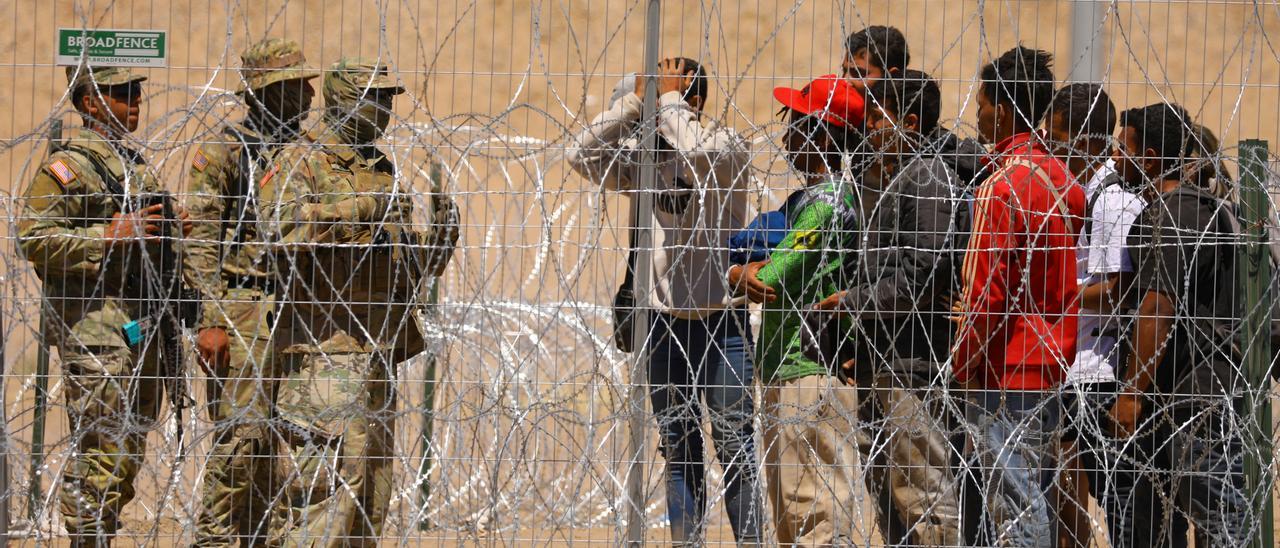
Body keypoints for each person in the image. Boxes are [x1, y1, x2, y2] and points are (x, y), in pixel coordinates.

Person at [258, 58, 457, 546]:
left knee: (368, 509)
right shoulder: (299, 160)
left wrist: (436, 245)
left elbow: (397, 266)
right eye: (378, 99)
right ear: (346, 101)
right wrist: (365, 211)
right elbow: (278, 227)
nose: (387, 110)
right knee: (319, 506)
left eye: (389, 100)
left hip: (375, 358)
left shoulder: (378, 167)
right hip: (321, 358)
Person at [565, 57, 764, 546]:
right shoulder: (645, 164)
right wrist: (633, 104)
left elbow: (694, 152)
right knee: (678, 449)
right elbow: (580, 155)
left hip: (723, 326)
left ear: (690, 101)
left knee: (736, 448)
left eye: (664, 100)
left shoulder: (725, 148)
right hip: (663, 326)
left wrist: (667, 99)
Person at [18, 64, 193, 546]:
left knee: (126, 453)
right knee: (101, 451)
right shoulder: (69, 169)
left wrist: (175, 232)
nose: (134, 102)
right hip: (95, 331)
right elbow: (32, 237)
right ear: (91, 104)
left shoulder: (136, 167)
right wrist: (107, 235)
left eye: (136, 93)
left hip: (140, 329)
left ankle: (98, 535)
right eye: (120, 94)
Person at [810, 69, 962, 545]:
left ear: (910, 123)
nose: (869, 128)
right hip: (885, 360)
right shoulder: (894, 181)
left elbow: (920, 276)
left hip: (914, 367)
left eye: (878, 118)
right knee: (889, 495)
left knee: (924, 498)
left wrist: (850, 304)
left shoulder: (929, 181)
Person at [183, 38, 320, 547]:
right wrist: (212, 319)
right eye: (294, 85)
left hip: (298, 309)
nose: (308, 93)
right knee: (241, 444)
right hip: (244, 306)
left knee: (283, 444)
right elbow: (200, 239)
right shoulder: (225, 151)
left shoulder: (309, 155)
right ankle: (216, 540)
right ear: (265, 93)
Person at [952, 46, 1084, 547]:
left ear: (1002, 110)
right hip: (1048, 361)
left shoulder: (1002, 187)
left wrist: (961, 362)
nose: (978, 114)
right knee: (1033, 495)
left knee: (1016, 505)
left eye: (982, 104)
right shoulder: (1060, 182)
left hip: (1002, 368)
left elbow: (988, 295)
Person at [1105, 103, 1249, 547]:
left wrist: (1131, 393)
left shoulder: (1177, 215)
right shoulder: (1179, 211)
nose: (1113, 159)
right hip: (1175, 394)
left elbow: (1156, 309)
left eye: (1120, 148)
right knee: (1153, 526)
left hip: (1195, 396)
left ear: (1148, 157)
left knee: (1218, 523)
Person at [732, 74, 864, 545]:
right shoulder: (811, 201)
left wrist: (739, 274)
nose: (788, 136)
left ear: (825, 135)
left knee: (813, 511)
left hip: (807, 368)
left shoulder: (825, 207)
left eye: (800, 124)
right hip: (790, 365)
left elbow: (772, 275)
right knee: (791, 506)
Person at [1041, 83, 1142, 548]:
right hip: (1071, 366)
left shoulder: (1113, 200)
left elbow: (1121, 291)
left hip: (1098, 370)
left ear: (1084, 140)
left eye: (1056, 134)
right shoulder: (1080, 189)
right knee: (1064, 509)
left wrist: (1050, 298)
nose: (1049, 142)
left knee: (1099, 505)